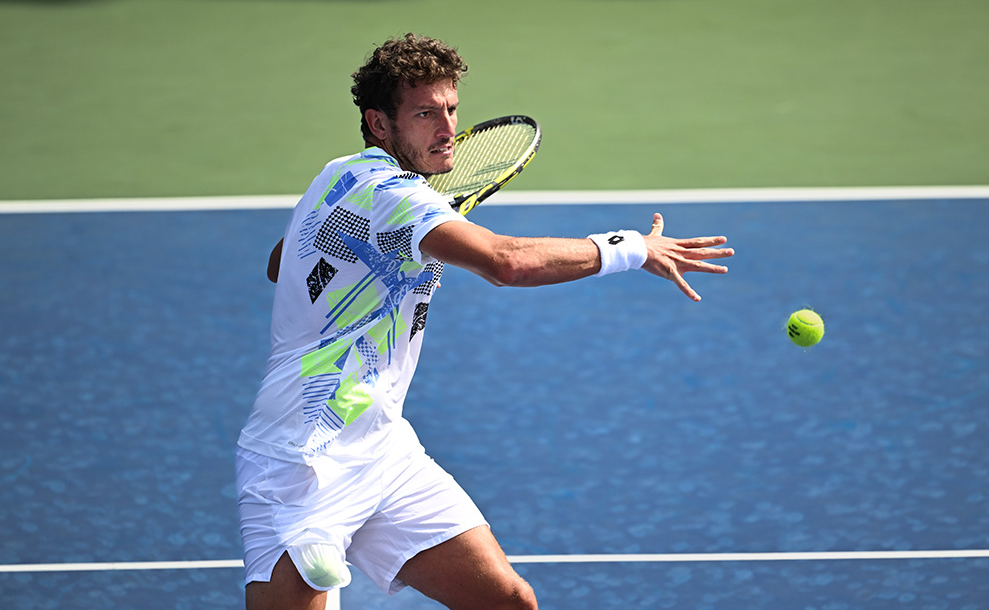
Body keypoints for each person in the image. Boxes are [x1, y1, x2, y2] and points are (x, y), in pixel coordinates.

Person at [236, 33, 734, 610]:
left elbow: (281, 262)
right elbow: (508, 263)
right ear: (378, 124)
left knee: (509, 603)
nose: (446, 128)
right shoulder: (400, 200)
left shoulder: (340, 177)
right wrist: (633, 248)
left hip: (381, 449)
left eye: (450, 109)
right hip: (300, 464)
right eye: (424, 114)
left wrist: (379, 250)